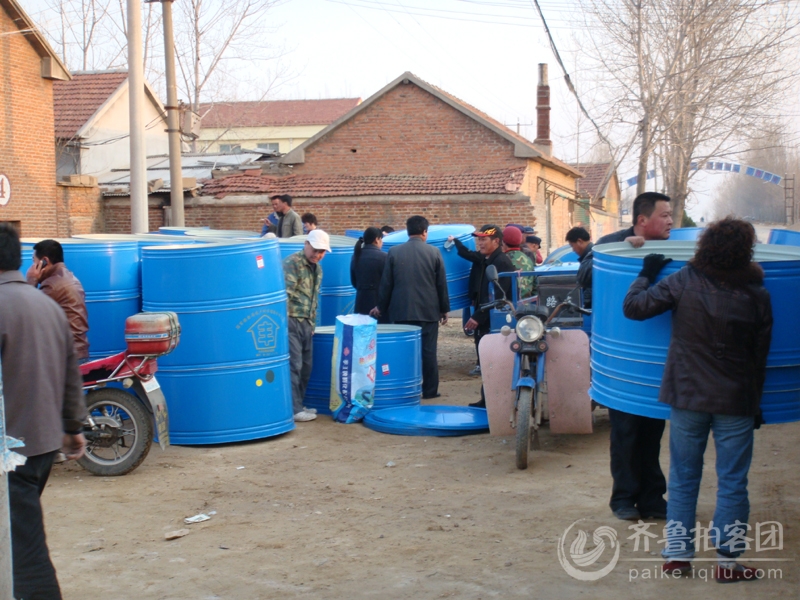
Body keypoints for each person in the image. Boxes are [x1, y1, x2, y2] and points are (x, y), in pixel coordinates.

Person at [623, 218, 772, 582]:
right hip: (735, 399)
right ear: (746, 251)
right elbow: (759, 356)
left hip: (687, 394)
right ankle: (728, 564)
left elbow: (634, 308)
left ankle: (677, 557)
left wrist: (646, 274)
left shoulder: (684, 280)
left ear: (705, 245)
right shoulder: (757, 294)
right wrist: (755, 404)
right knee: (733, 480)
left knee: (684, 477)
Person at [0, 223, 87, 599]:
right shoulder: (45, 305)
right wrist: (71, 429)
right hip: (43, 446)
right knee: (19, 536)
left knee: (24, 548)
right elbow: (71, 373)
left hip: (10, 451)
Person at [586, 191, 673, 521]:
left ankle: (652, 499)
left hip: (653, 359)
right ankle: (623, 499)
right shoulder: (614, 244)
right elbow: (583, 276)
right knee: (625, 433)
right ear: (642, 220)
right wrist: (624, 246)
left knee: (652, 433)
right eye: (664, 215)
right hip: (620, 359)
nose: (669, 221)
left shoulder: (671, 252)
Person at [371, 216, 449, 399]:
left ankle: (403, 390)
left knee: (403, 352)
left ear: (407, 231)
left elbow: (386, 284)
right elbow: (441, 284)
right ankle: (430, 391)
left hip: (401, 311)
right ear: (424, 232)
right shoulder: (434, 252)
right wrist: (444, 309)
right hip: (428, 313)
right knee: (428, 353)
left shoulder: (394, 252)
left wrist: (381, 306)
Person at [451, 225, 515, 406]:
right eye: (478, 239)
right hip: (485, 315)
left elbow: (499, 296)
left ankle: (493, 401)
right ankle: (486, 399)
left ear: (496, 241)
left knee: (492, 361)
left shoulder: (501, 263)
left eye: (484, 239)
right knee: (487, 360)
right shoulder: (486, 260)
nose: (480, 243)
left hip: (493, 319)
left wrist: (478, 316)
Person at [283, 229, 332, 421]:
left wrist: (312, 323)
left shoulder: (317, 269)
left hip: (306, 322)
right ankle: (294, 409)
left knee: (306, 367)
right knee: (294, 365)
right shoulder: (292, 263)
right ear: (306, 244)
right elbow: (285, 296)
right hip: (292, 320)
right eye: (315, 250)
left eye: (322, 252)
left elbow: (314, 298)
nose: (318, 254)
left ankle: (299, 404)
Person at [26, 239, 90, 362]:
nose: (32, 267)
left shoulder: (52, 285)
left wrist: (31, 280)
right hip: (76, 351)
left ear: (44, 261)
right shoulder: (68, 277)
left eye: (34, 261)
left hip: (64, 356)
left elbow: (28, 315)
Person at [350, 227, 388, 321]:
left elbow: (354, 281)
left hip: (360, 303)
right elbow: (388, 283)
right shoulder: (384, 257)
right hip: (378, 306)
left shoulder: (355, 256)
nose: (382, 243)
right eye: (381, 239)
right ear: (376, 239)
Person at [502, 226, 536, 299]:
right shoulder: (528, 259)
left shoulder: (503, 260)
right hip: (527, 305)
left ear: (503, 242)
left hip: (509, 306)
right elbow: (535, 285)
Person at [566, 226, 593, 308]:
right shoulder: (592, 256)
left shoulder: (590, 260)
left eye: (572, 246)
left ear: (579, 241)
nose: (573, 250)